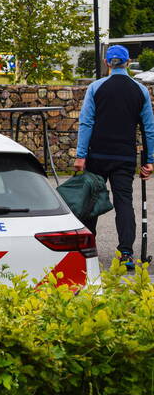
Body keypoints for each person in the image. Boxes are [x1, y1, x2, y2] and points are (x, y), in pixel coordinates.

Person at [74, 45, 154, 270]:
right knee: (124, 203)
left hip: (97, 155)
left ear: (107, 63)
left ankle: (86, 252)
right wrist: (149, 161)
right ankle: (126, 252)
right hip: (124, 157)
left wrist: (81, 156)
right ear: (128, 63)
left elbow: (86, 123)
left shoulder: (96, 88)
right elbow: (148, 129)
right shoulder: (140, 91)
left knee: (90, 202)